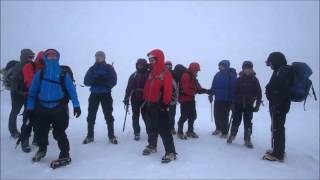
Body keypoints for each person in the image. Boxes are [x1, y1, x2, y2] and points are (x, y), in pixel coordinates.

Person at [26, 49, 81, 168]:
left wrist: (76, 105)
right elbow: (32, 92)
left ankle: (65, 153)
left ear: (57, 57)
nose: (51, 57)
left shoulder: (62, 73)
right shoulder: (40, 73)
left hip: (58, 107)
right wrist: (30, 107)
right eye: (49, 55)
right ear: (45, 57)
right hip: (42, 107)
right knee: (41, 131)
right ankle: (42, 149)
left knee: (59, 132)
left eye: (53, 55)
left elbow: (71, 90)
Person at [142, 49, 177, 163]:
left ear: (158, 59)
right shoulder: (151, 73)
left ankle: (171, 152)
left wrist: (165, 104)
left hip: (160, 105)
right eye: (150, 59)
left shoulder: (165, 73)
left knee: (164, 129)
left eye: (152, 59)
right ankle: (152, 145)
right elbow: (148, 88)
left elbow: (168, 89)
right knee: (151, 127)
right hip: (149, 104)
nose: (150, 61)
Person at [262, 52, 293, 162]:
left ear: (275, 61)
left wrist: (276, 103)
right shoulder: (280, 70)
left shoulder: (283, 71)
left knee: (277, 128)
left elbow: (282, 90)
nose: (270, 65)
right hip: (278, 105)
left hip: (279, 106)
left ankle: (278, 154)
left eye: (270, 63)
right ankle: (277, 150)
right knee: (276, 127)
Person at [83, 51, 118, 144]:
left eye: (100, 56)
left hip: (106, 95)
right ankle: (90, 136)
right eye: (97, 56)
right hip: (94, 95)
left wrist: (104, 82)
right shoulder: (92, 69)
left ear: (104, 57)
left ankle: (111, 136)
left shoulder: (109, 68)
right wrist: (95, 80)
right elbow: (86, 81)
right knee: (91, 116)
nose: (98, 58)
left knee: (108, 115)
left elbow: (114, 81)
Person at [227, 61, 262, 148]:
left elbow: (259, 93)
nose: (247, 70)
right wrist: (232, 103)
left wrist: (257, 105)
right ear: (243, 69)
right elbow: (234, 92)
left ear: (251, 69)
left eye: (249, 69)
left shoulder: (255, 80)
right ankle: (232, 135)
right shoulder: (239, 79)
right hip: (238, 103)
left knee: (248, 122)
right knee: (236, 120)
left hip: (249, 104)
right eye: (245, 69)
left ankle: (247, 139)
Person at [10, 49, 38, 152]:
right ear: (24, 56)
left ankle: (25, 133)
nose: (31, 59)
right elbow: (14, 88)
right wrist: (23, 93)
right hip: (17, 94)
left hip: (27, 94)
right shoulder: (18, 68)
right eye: (29, 57)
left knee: (27, 114)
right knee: (15, 112)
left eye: (32, 57)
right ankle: (13, 131)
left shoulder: (31, 66)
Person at [177, 62, 208, 139]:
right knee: (184, 116)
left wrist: (207, 91)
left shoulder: (193, 77)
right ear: (192, 69)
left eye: (197, 70)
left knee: (193, 116)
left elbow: (198, 88)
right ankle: (180, 132)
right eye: (196, 70)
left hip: (191, 99)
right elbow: (186, 89)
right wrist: (195, 91)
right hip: (184, 100)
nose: (197, 72)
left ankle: (190, 131)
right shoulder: (185, 76)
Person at [209, 60, 237, 138]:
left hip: (227, 100)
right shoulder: (217, 75)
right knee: (216, 114)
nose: (220, 67)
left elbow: (233, 89)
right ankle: (218, 128)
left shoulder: (231, 75)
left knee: (224, 116)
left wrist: (232, 101)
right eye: (220, 65)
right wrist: (211, 94)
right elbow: (214, 86)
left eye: (222, 65)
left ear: (226, 66)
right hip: (218, 98)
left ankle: (224, 132)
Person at [123, 58, 149, 141]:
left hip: (146, 98)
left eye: (141, 64)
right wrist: (126, 98)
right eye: (138, 64)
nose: (140, 66)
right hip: (135, 98)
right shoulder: (134, 75)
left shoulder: (149, 74)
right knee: (135, 116)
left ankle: (150, 131)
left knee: (146, 116)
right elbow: (129, 87)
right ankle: (136, 132)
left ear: (145, 65)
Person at [165, 61, 178, 134]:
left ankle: (171, 128)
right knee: (171, 114)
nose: (168, 67)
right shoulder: (175, 74)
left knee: (171, 114)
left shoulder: (174, 74)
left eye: (169, 66)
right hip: (171, 98)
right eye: (167, 66)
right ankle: (170, 128)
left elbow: (177, 87)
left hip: (171, 98)